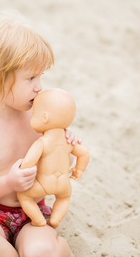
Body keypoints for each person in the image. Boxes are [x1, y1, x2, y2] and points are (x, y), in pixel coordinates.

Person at [0, 15, 81, 257]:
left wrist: (65, 147)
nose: (39, 87)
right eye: (30, 78)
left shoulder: (39, 120)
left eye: (40, 77)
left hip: (32, 213)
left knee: (42, 251)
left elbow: (58, 166)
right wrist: (8, 183)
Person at [17, 88, 90, 229]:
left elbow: (28, 162)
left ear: (44, 117)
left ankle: (38, 220)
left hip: (44, 183)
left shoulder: (42, 142)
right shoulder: (68, 140)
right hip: (63, 183)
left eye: (34, 115)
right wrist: (78, 170)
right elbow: (84, 153)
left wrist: (23, 169)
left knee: (24, 196)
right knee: (64, 198)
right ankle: (55, 219)